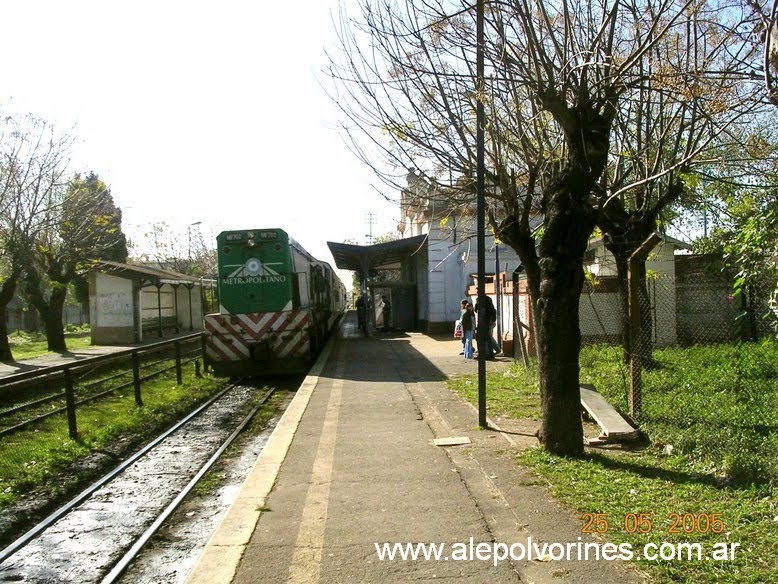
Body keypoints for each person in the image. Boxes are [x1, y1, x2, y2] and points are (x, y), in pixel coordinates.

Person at [475, 294, 500, 359]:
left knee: (487, 338)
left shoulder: (486, 300)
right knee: (488, 337)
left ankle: (487, 353)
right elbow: (476, 310)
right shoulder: (483, 300)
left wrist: (492, 321)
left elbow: (491, 311)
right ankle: (490, 352)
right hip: (485, 322)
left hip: (487, 322)